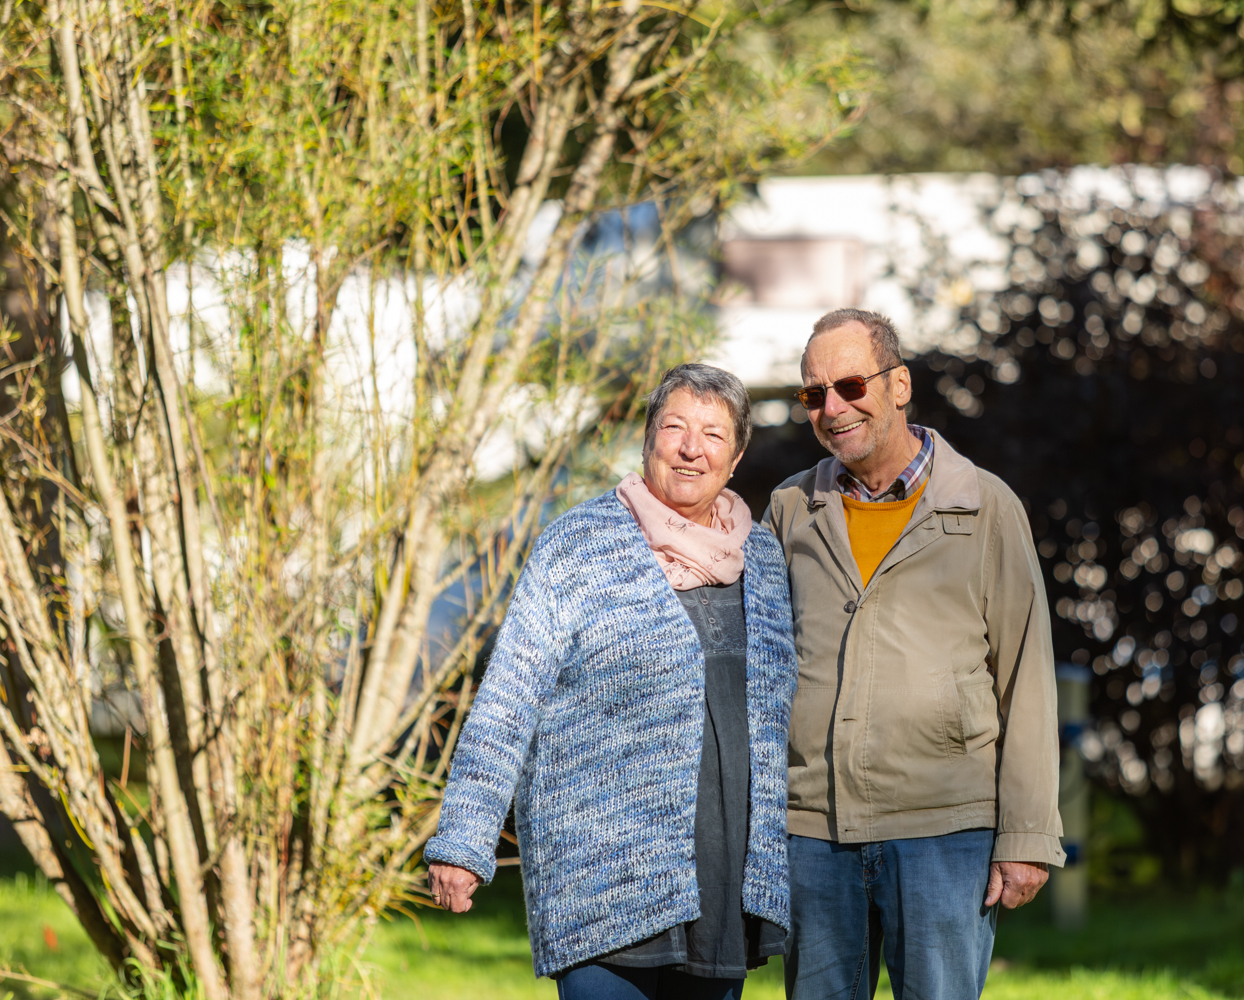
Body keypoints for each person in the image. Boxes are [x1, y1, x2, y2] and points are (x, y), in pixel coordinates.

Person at [425, 364, 797, 1000]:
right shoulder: (579, 545)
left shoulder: (761, 558)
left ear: (735, 457)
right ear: (648, 439)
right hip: (600, 881)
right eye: (675, 427)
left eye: (713, 434)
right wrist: (463, 838)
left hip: (722, 891)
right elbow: (509, 699)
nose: (691, 448)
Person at [764, 309, 1065, 1000]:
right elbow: (762, 667)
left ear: (899, 385)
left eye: (850, 386)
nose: (832, 408)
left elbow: (1026, 675)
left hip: (945, 832)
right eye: (814, 394)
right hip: (814, 832)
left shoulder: (985, 506)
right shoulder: (790, 509)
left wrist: (1027, 836)